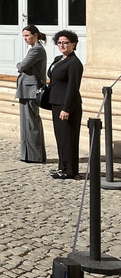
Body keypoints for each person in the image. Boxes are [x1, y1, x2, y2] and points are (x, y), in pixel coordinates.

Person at [48, 30, 83, 179]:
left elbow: (73, 88)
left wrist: (66, 109)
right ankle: (62, 167)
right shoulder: (59, 59)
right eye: (59, 42)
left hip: (68, 106)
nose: (62, 45)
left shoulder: (74, 63)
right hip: (56, 103)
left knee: (68, 138)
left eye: (65, 42)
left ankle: (70, 170)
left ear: (73, 44)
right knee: (61, 137)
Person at [16, 25, 47, 163]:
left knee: (31, 123)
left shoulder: (37, 50)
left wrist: (18, 65)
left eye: (27, 35)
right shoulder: (33, 49)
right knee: (26, 123)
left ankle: (35, 155)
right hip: (25, 89)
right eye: (23, 36)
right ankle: (28, 154)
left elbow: (22, 66)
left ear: (35, 34)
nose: (25, 38)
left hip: (30, 90)